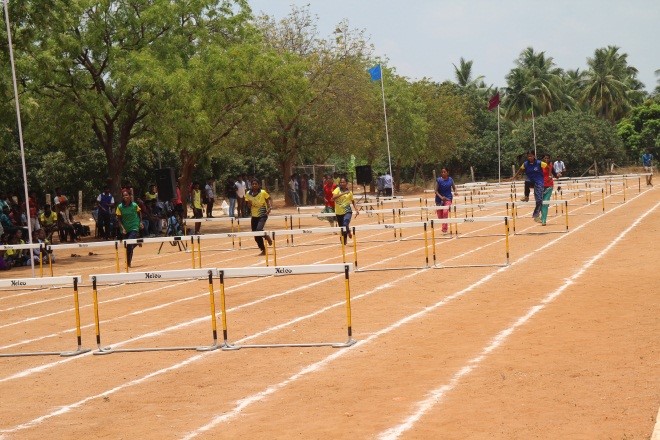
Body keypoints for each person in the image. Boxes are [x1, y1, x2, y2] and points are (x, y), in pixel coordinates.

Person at [511, 150, 549, 222]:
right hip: (531, 181)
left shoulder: (539, 163)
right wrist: (515, 176)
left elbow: (549, 167)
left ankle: (536, 215)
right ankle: (526, 196)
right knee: (526, 181)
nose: (529, 157)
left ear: (534, 156)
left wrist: (549, 175)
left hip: (539, 182)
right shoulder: (525, 164)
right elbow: (520, 170)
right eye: (528, 156)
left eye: (531, 156)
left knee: (539, 200)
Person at [245, 179, 273, 255]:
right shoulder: (248, 193)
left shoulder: (263, 192)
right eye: (253, 184)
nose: (254, 185)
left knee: (258, 230)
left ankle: (266, 235)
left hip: (263, 214)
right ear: (251, 185)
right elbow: (248, 205)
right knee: (255, 235)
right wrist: (249, 204)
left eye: (256, 184)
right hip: (254, 215)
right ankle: (263, 249)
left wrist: (269, 207)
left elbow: (269, 199)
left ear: (259, 185)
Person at [116, 191, 143, 267]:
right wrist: (122, 228)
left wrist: (140, 222)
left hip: (134, 226)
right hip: (125, 228)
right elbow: (119, 219)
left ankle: (128, 263)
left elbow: (139, 213)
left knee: (129, 244)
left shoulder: (134, 205)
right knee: (127, 245)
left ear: (130, 196)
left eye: (126, 195)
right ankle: (136, 243)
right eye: (124, 196)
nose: (125, 197)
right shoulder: (120, 207)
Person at [332, 177, 359, 244]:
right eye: (341, 182)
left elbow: (353, 201)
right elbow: (333, 198)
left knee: (345, 223)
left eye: (343, 182)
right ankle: (346, 235)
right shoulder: (337, 190)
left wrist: (356, 209)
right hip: (338, 211)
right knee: (342, 228)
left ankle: (347, 231)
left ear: (346, 183)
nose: (342, 183)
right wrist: (343, 193)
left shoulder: (349, 192)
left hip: (347, 210)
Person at [435, 167, 458, 234]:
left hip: (448, 198)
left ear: (448, 172)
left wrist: (455, 192)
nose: (443, 173)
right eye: (442, 172)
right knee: (440, 217)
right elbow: (435, 191)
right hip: (439, 199)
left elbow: (454, 188)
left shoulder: (450, 179)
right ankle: (443, 224)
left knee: (445, 212)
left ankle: (444, 229)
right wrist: (441, 197)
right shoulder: (438, 180)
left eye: (444, 172)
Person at [540, 154, 556, 226]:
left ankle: (544, 220)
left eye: (548, 158)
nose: (546, 159)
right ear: (543, 159)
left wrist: (558, 175)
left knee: (545, 203)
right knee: (540, 203)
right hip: (541, 186)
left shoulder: (551, 166)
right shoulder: (540, 166)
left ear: (549, 159)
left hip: (549, 186)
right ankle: (542, 216)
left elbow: (555, 175)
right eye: (545, 158)